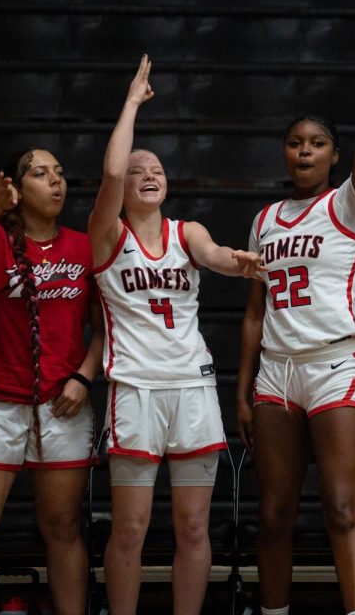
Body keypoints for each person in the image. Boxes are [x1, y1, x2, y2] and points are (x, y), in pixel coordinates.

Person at [89, 56, 264, 615]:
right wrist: (133, 102)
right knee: (132, 528)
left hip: (191, 387)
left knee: (192, 526)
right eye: (139, 168)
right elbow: (112, 174)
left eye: (157, 168)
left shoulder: (186, 231)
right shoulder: (106, 236)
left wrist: (236, 263)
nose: (147, 174)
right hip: (135, 390)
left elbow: (213, 255)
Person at [236, 17, 355, 615]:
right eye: (296, 142)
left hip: (336, 364)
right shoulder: (265, 218)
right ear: (285, 152)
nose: (304, 150)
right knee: (272, 513)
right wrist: (243, 390)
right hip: (275, 370)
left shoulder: (349, 203)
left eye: (316, 143)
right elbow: (254, 312)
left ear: (334, 156)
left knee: (341, 506)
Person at [0, 149, 102, 615]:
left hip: (63, 404)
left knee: (63, 525)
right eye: (41, 173)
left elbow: (105, 328)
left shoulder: (82, 245)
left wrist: (84, 378)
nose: (56, 182)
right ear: (15, 186)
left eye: (60, 174)